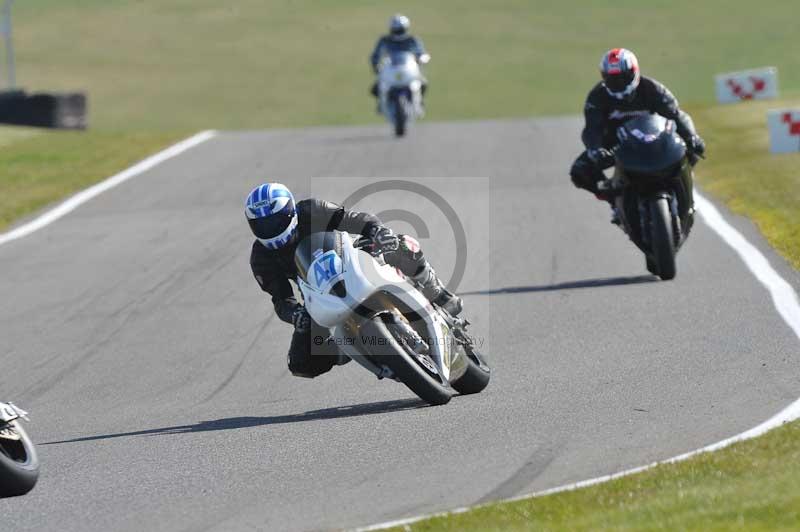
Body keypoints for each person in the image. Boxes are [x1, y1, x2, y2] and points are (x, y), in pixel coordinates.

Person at [246, 183, 461, 379]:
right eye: (262, 225)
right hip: (318, 291)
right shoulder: (261, 258)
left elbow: (354, 219)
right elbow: (282, 299)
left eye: (274, 221)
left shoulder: (311, 210)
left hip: (351, 258)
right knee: (300, 364)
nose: (270, 229)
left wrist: (378, 232)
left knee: (401, 245)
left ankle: (437, 291)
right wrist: (295, 316)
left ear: (290, 212)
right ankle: (349, 348)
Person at [569, 48, 705, 218]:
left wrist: (692, 136)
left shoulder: (654, 89)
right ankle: (614, 199)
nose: (618, 84)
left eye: (622, 78)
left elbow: (677, 115)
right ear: (604, 78)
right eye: (612, 80)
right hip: (616, 143)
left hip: (656, 137)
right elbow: (591, 129)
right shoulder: (597, 97)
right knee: (579, 171)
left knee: (692, 149)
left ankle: (685, 190)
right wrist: (596, 150)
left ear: (634, 73)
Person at [369, 14, 430, 110]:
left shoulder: (412, 40)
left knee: (423, 84)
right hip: (390, 70)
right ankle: (381, 104)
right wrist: (375, 64)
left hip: (408, 70)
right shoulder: (385, 40)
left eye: (400, 29)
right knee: (375, 88)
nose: (398, 32)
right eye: (396, 29)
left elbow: (420, 52)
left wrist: (422, 58)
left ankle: (420, 102)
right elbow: (376, 54)